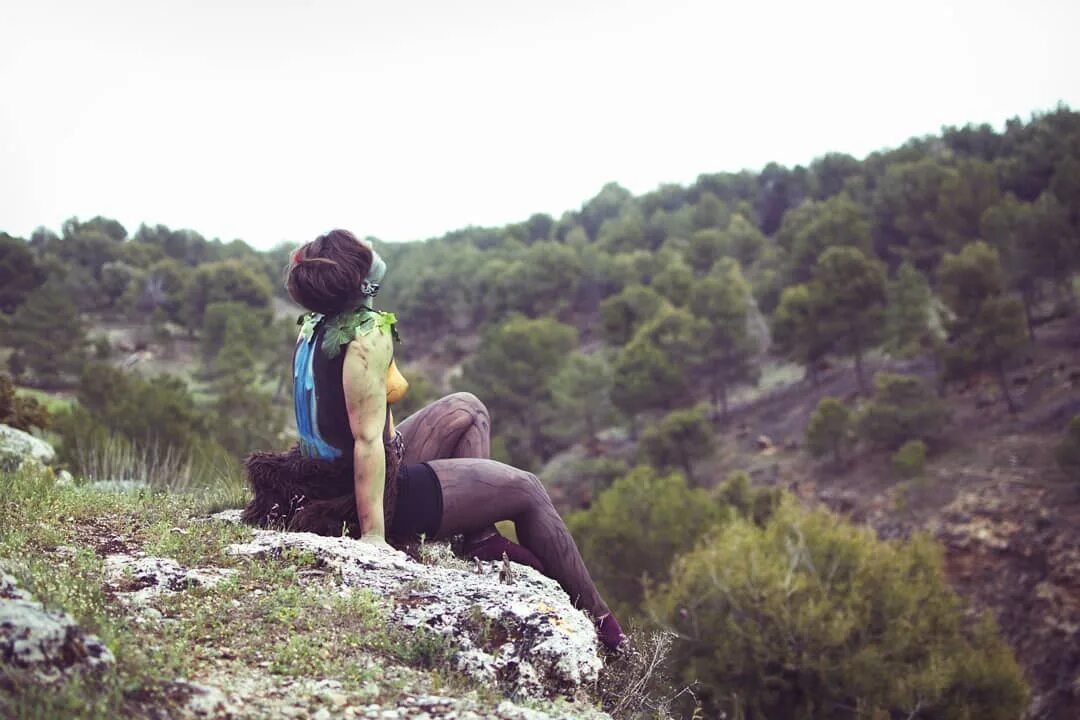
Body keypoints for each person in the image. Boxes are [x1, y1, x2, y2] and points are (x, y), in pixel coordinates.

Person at [242, 229, 626, 651]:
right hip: (362, 490)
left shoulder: (317, 324)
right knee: (527, 488)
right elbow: (367, 440)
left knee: (468, 408)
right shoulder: (366, 336)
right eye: (363, 251)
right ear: (361, 281)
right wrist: (374, 537)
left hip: (334, 471)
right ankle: (604, 626)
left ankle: (477, 537)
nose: (372, 250)